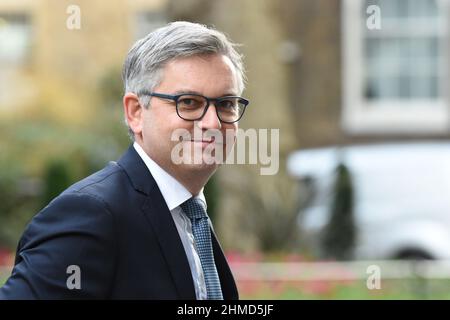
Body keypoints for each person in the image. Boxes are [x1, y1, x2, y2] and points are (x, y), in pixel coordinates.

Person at [0, 21, 249, 299]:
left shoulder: (191, 215)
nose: (212, 122)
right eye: (189, 102)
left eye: (226, 104)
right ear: (135, 112)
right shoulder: (90, 214)